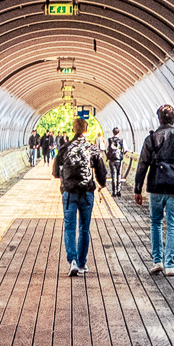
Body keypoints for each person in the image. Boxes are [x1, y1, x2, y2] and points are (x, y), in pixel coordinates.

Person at [134, 103, 174, 277]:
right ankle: (170, 265)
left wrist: (137, 189)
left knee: (155, 222)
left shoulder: (152, 139)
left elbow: (142, 164)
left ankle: (157, 261)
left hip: (156, 186)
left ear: (159, 119)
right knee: (172, 225)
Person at [56, 111, 109, 275]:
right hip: (87, 192)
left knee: (69, 227)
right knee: (84, 228)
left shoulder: (65, 148)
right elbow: (101, 171)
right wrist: (102, 184)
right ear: (86, 131)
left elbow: (55, 171)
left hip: (69, 192)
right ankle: (81, 263)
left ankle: (71, 260)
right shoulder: (92, 149)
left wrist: (64, 181)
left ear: (73, 130)